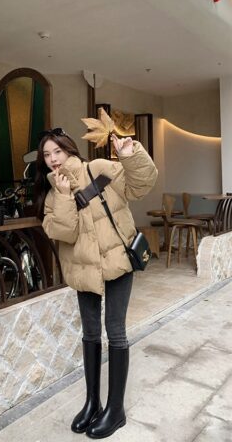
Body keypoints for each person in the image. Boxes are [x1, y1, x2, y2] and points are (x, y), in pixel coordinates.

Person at [35, 127, 158, 439]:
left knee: (115, 331)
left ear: (69, 149)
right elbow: (64, 233)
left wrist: (131, 157)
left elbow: (140, 186)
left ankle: (115, 410)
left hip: (117, 262)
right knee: (90, 333)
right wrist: (64, 196)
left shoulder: (99, 169)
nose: (53, 159)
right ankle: (93, 403)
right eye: (47, 155)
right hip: (83, 270)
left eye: (57, 151)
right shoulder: (52, 194)